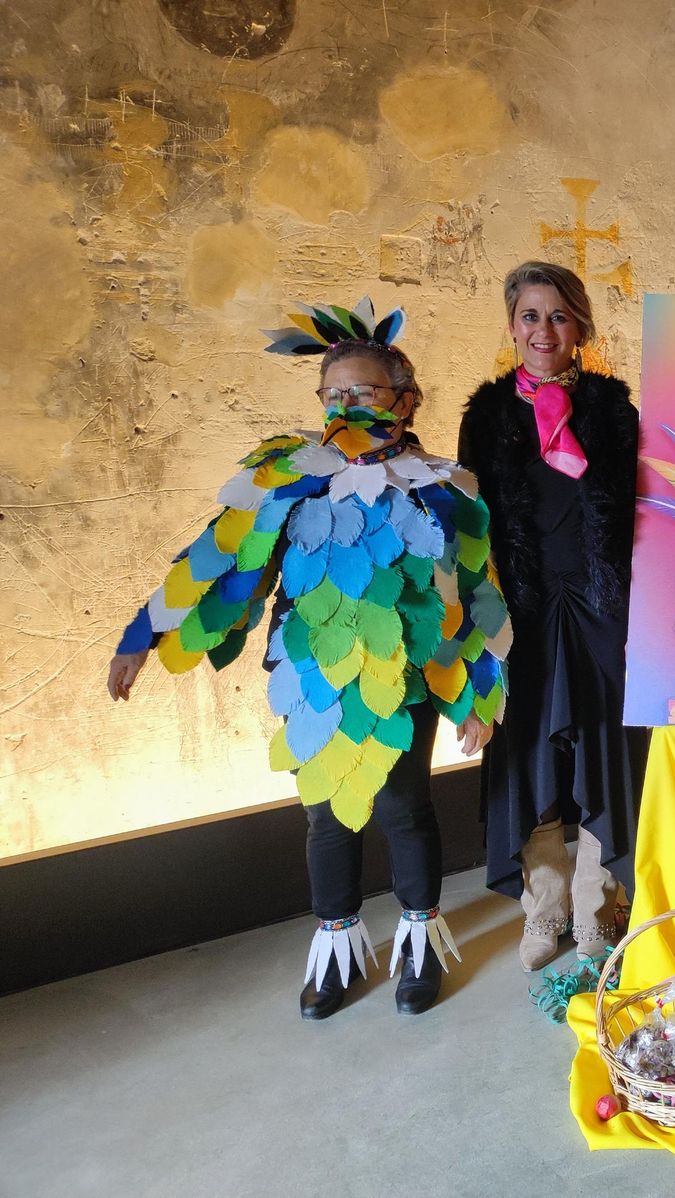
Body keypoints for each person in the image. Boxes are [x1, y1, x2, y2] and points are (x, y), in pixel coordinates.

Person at [107, 298, 510, 1019]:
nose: (348, 405)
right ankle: (337, 951)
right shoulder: (285, 477)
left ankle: (419, 945)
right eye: (335, 394)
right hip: (310, 676)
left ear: (406, 398)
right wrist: (145, 637)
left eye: (365, 391)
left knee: (403, 806)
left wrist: (478, 695)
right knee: (325, 816)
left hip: (405, 677)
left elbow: (472, 593)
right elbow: (222, 563)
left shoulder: (444, 489)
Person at [458, 262, 646, 972]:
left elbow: (645, 511)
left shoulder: (613, 411)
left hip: (602, 608)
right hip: (522, 615)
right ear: (512, 325)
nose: (545, 330)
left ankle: (597, 912)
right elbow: (471, 527)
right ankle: (544, 910)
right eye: (531, 315)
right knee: (533, 756)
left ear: (582, 329)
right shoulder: (485, 417)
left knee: (601, 753)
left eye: (560, 316)